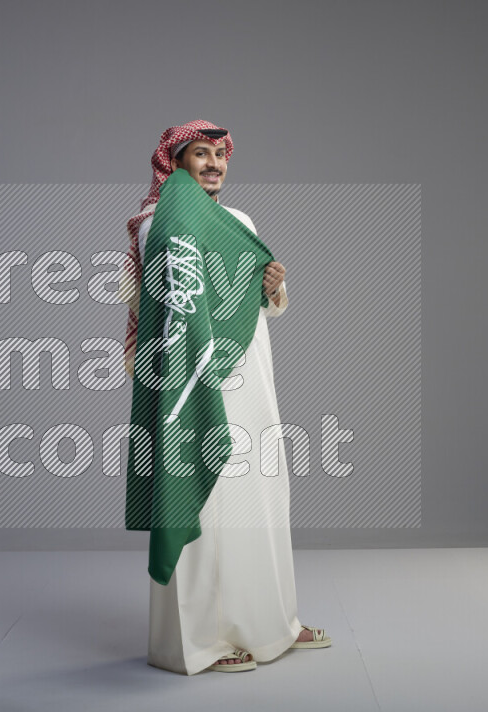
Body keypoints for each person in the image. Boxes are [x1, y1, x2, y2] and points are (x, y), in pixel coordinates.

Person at [119, 120, 331, 675]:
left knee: (260, 497)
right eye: (201, 154)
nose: (214, 164)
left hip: (251, 375)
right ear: (176, 160)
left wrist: (272, 287)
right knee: (205, 502)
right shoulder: (156, 220)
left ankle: (273, 625)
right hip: (193, 382)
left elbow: (261, 309)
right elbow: (161, 304)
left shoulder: (238, 222)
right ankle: (196, 643)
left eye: (221, 155)